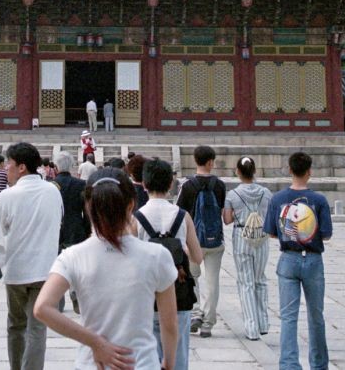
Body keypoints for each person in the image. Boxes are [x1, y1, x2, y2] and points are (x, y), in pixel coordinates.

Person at [34, 170, 180, 370]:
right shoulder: (157, 256)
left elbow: (42, 308)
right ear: (131, 205)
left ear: (88, 206)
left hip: (92, 364)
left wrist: (95, 342)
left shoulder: (72, 256)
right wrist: (168, 363)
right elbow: (169, 323)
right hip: (141, 362)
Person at [0, 141, 63, 370]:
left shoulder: (7, 196)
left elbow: (1, 229)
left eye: (9, 164)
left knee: (16, 324)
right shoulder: (53, 192)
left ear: (21, 167)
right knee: (37, 327)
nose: (6, 169)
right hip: (45, 269)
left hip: (16, 269)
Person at [264, 151, 332, 370]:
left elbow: (272, 233)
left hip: (288, 259)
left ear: (290, 170)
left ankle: (289, 364)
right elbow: (327, 234)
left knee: (288, 316)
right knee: (316, 316)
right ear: (309, 171)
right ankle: (319, 364)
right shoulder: (319, 200)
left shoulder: (277, 199)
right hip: (312, 260)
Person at [136, 158, 202, 370]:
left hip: (146, 293)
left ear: (144, 184)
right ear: (171, 184)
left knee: (147, 356)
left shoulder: (136, 218)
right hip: (178, 291)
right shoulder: (183, 216)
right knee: (179, 355)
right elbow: (198, 257)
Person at [176, 144, 226, 339]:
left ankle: (196, 312)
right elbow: (222, 211)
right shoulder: (220, 185)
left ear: (195, 160)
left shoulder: (187, 186)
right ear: (211, 162)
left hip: (193, 240)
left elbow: (180, 214)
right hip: (215, 241)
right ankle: (208, 323)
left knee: (192, 277)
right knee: (212, 282)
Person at [223, 156, 273, 340]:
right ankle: (263, 323)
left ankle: (251, 327)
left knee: (245, 282)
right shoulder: (266, 193)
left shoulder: (232, 195)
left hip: (242, 236)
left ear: (238, 171)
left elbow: (227, 220)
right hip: (261, 237)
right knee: (260, 279)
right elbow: (270, 215)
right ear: (254, 171)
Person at [52, 151, 89, 314]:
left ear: (56, 166)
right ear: (72, 166)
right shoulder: (81, 184)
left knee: (56, 265)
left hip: (55, 229)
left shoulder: (51, 185)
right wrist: (88, 230)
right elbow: (87, 211)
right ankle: (76, 296)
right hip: (76, 228)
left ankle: (57, 300)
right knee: (76, 266)